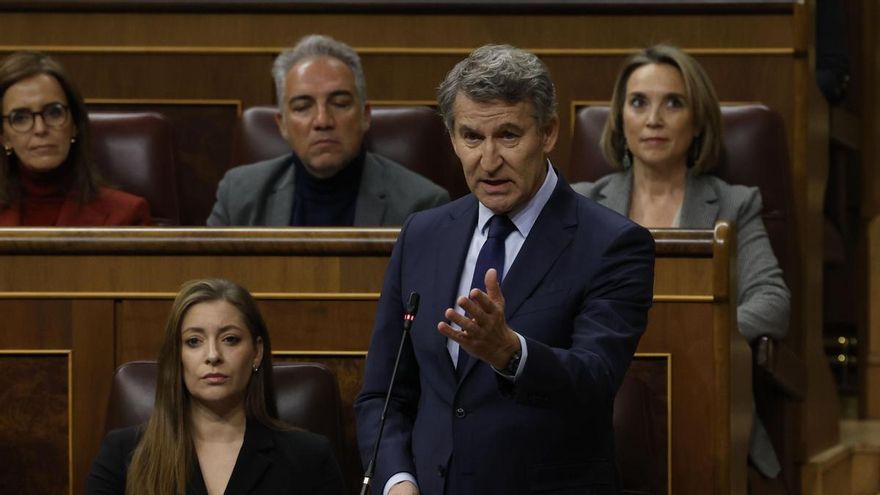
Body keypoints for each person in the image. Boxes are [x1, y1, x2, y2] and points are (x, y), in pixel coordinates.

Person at [355, 44, 655, 495]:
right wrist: (398, 481)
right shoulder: (422, 234)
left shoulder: (612, 244)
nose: (489, 160)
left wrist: (510, 353)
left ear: (549, 132)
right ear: (452, 136)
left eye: (509, 136)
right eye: (472, 137)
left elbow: (595, 380)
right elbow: (384, 395)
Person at [571, 44, 791, 483]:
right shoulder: (582, 203)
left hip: (701, 400)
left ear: (697, 120)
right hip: (597, 401)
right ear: (621, 120)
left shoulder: (733, 203)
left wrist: (683, 339)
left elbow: (772, 301)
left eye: (673, 102)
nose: (654, 118)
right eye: (639, 103)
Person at [87, 278, 346, 494]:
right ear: (176, 356)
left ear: (256, 352)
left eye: (230, 339)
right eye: (194, 341)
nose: (212, 355)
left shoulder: (309, 457)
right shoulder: (123, 454)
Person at [207, 34, 449, 227]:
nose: (322, 120)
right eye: (303, 107)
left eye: (340, 103)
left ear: (365, 116)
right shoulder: (238, 194)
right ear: (282, 125)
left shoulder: (421, 205)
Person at [0, 51, 151, 226]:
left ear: (74, 126)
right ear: (4, 137)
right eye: (20, 118)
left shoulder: (128, 214)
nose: (40, 129)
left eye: (54, 113)